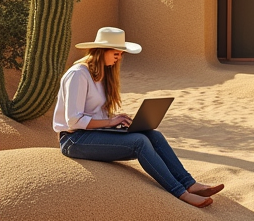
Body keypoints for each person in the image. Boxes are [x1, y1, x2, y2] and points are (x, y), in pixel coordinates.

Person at [53, 27, 224, 208]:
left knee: (153, 135)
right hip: (74, 140)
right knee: (139, 142)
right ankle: (180, 193)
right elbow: (73, 120)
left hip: (92, 133)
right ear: (101, 50)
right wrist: (111, 122)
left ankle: (190, 184)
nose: (119, 57)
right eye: (116, 53)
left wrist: (118, 121)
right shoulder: (78, 74)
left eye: (121, 54)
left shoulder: (102, 73)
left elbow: (95, 113)